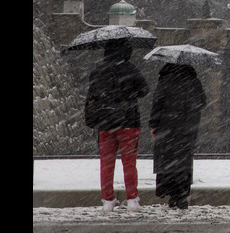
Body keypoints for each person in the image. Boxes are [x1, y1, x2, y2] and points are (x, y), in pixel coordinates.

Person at [84, 38, 150, 212]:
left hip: (105, 123)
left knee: (106, 162)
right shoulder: (130, 68)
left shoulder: (98, 70)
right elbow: (144, 90)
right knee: (129, 162)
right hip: (128, 121)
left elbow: (92, 96)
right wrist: (129, 93)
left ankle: (107, 200)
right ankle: (132, 200)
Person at [149, 63, 207, 210]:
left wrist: (154, 124)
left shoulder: (164, 81)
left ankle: (171, 193)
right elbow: (202, 102)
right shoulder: (193, 81)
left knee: (168, 160)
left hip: (167, 127)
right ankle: (181, 194)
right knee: (183, 160)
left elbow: (157, 103)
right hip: (187, 128)